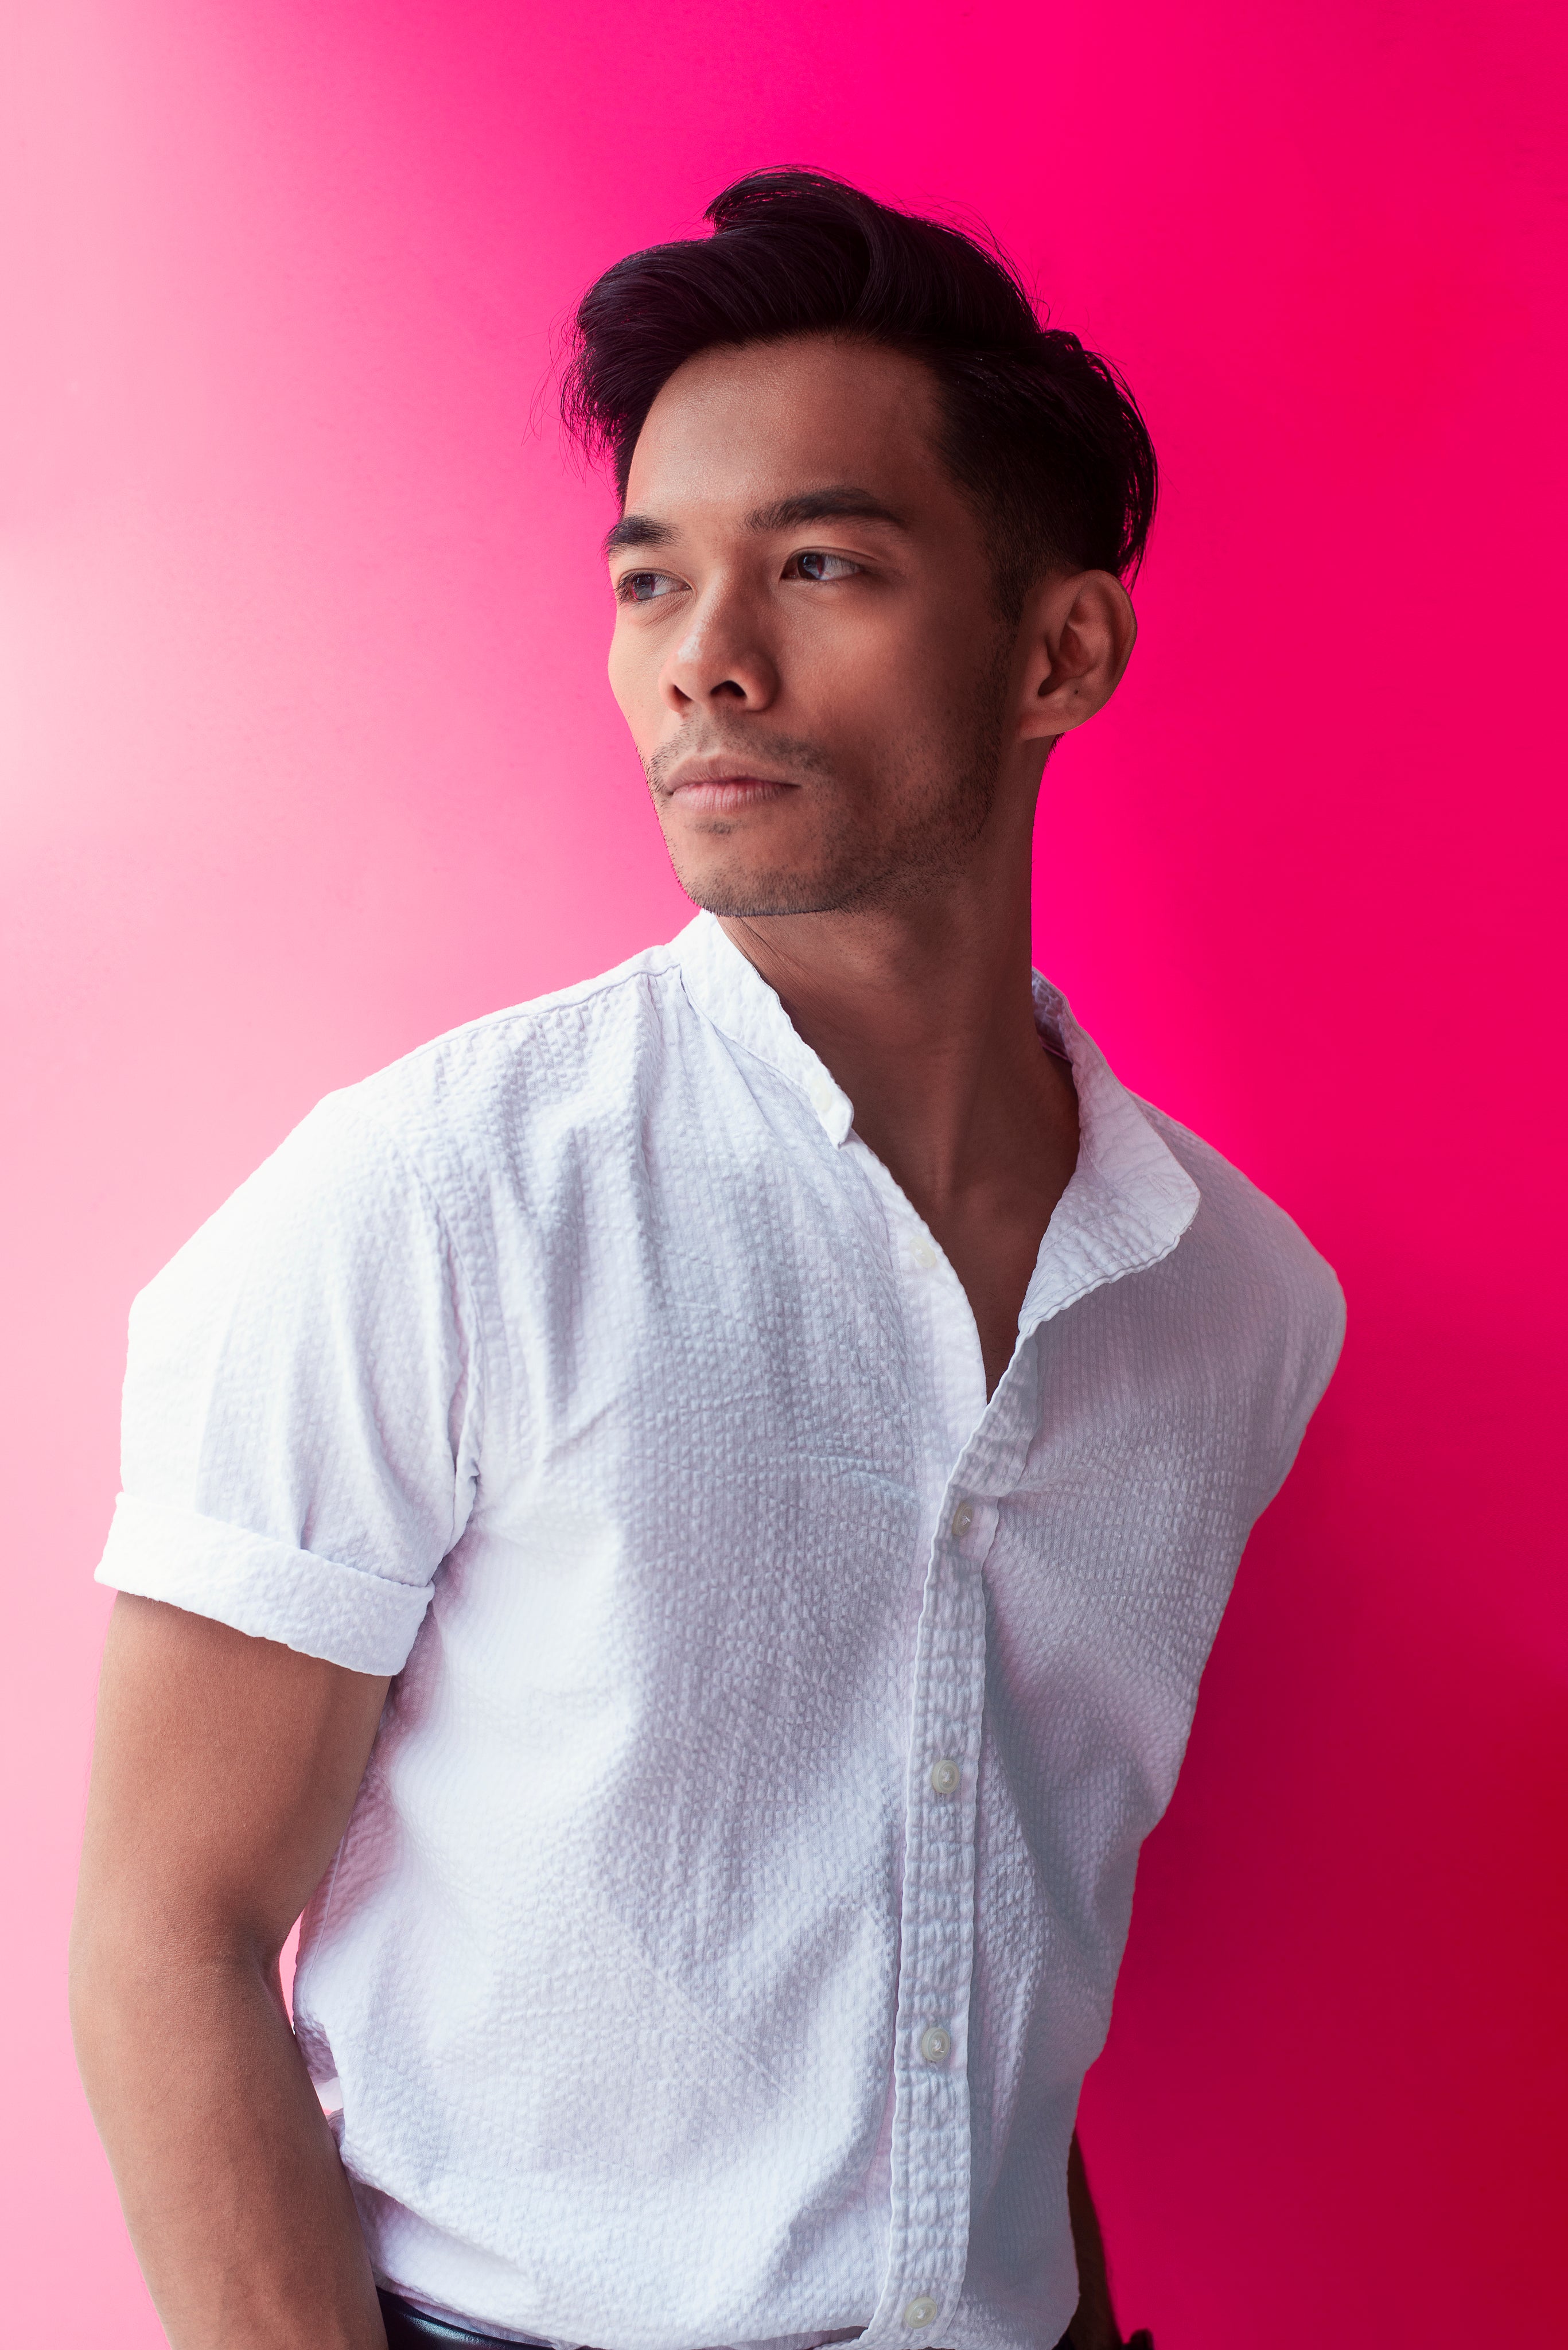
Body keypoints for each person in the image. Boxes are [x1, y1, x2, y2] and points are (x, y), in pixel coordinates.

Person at [71, 169, 1344, 2350]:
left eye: (819, 565)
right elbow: (166, 1940)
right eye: (652, 579)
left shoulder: (1236, 1306)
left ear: (1061, 652)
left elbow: (997, 1948)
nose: (705, 658)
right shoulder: (433, 1202)